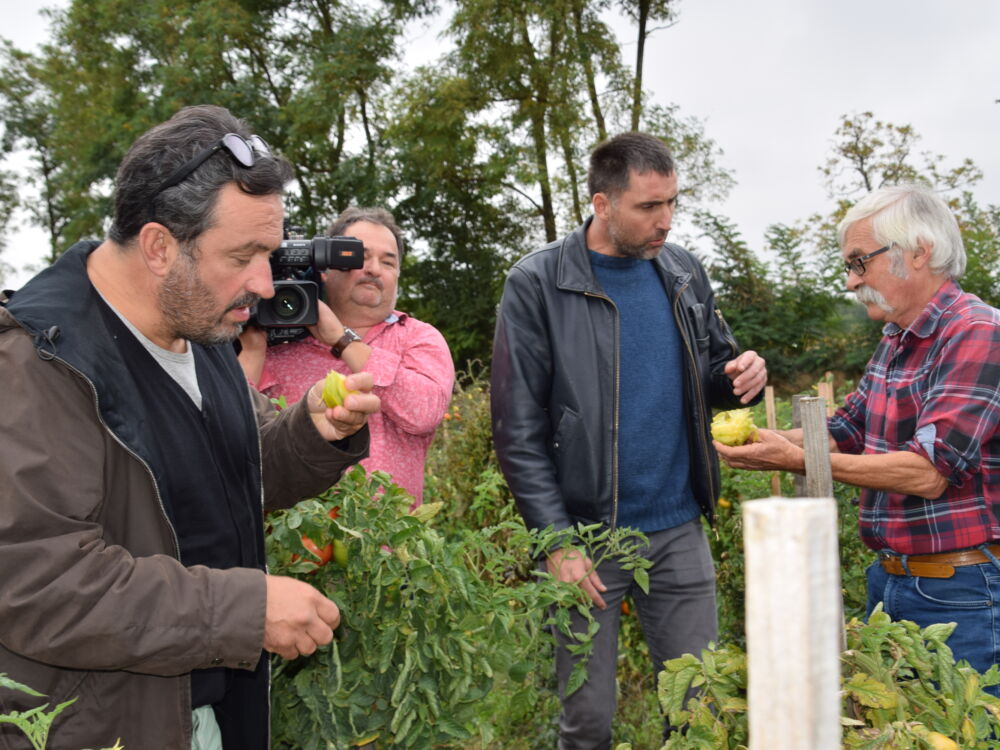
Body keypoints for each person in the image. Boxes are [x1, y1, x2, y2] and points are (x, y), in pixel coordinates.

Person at [0, 105, 380, 750]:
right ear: (159, 246)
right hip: (102, 725)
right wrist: (244, 611)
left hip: (207, 710)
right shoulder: (39, 365)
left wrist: (311, 431)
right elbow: (39, 584)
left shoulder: (199, 329)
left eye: (270, 253)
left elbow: (238, 468)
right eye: (243, 255)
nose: (264, 284)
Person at [490, 132, 767, 749]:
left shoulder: (683, 271)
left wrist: (739, 377)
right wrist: (556, 541)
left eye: (672, 202)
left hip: (678, 529)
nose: (666, 220)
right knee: (587, 721)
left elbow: (710, 375)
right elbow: (517, 428)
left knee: (698, 711)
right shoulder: (537, 282)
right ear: (603, 203)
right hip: (585, 537)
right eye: (649, 206)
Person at [716, 184, 1000, 692]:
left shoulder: (977, 332)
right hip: (892, 580)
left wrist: (795, 460)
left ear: (919, 251)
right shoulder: (896, 340)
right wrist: (758, 439)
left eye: (859, 262)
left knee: (966, 726)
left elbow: (929, 472)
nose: (851, 281)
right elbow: (843, 432)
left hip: (961, 591)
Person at [238, 206, 454, 503]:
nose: (374, 269)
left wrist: (341, 339)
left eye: (388, 262)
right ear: (325, 270)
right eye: (359, 258)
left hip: (390, 530)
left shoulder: (416, 338)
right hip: (291, 530)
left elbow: (423, 413)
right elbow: (234, 435)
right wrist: (252, 349)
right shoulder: (276, 342)